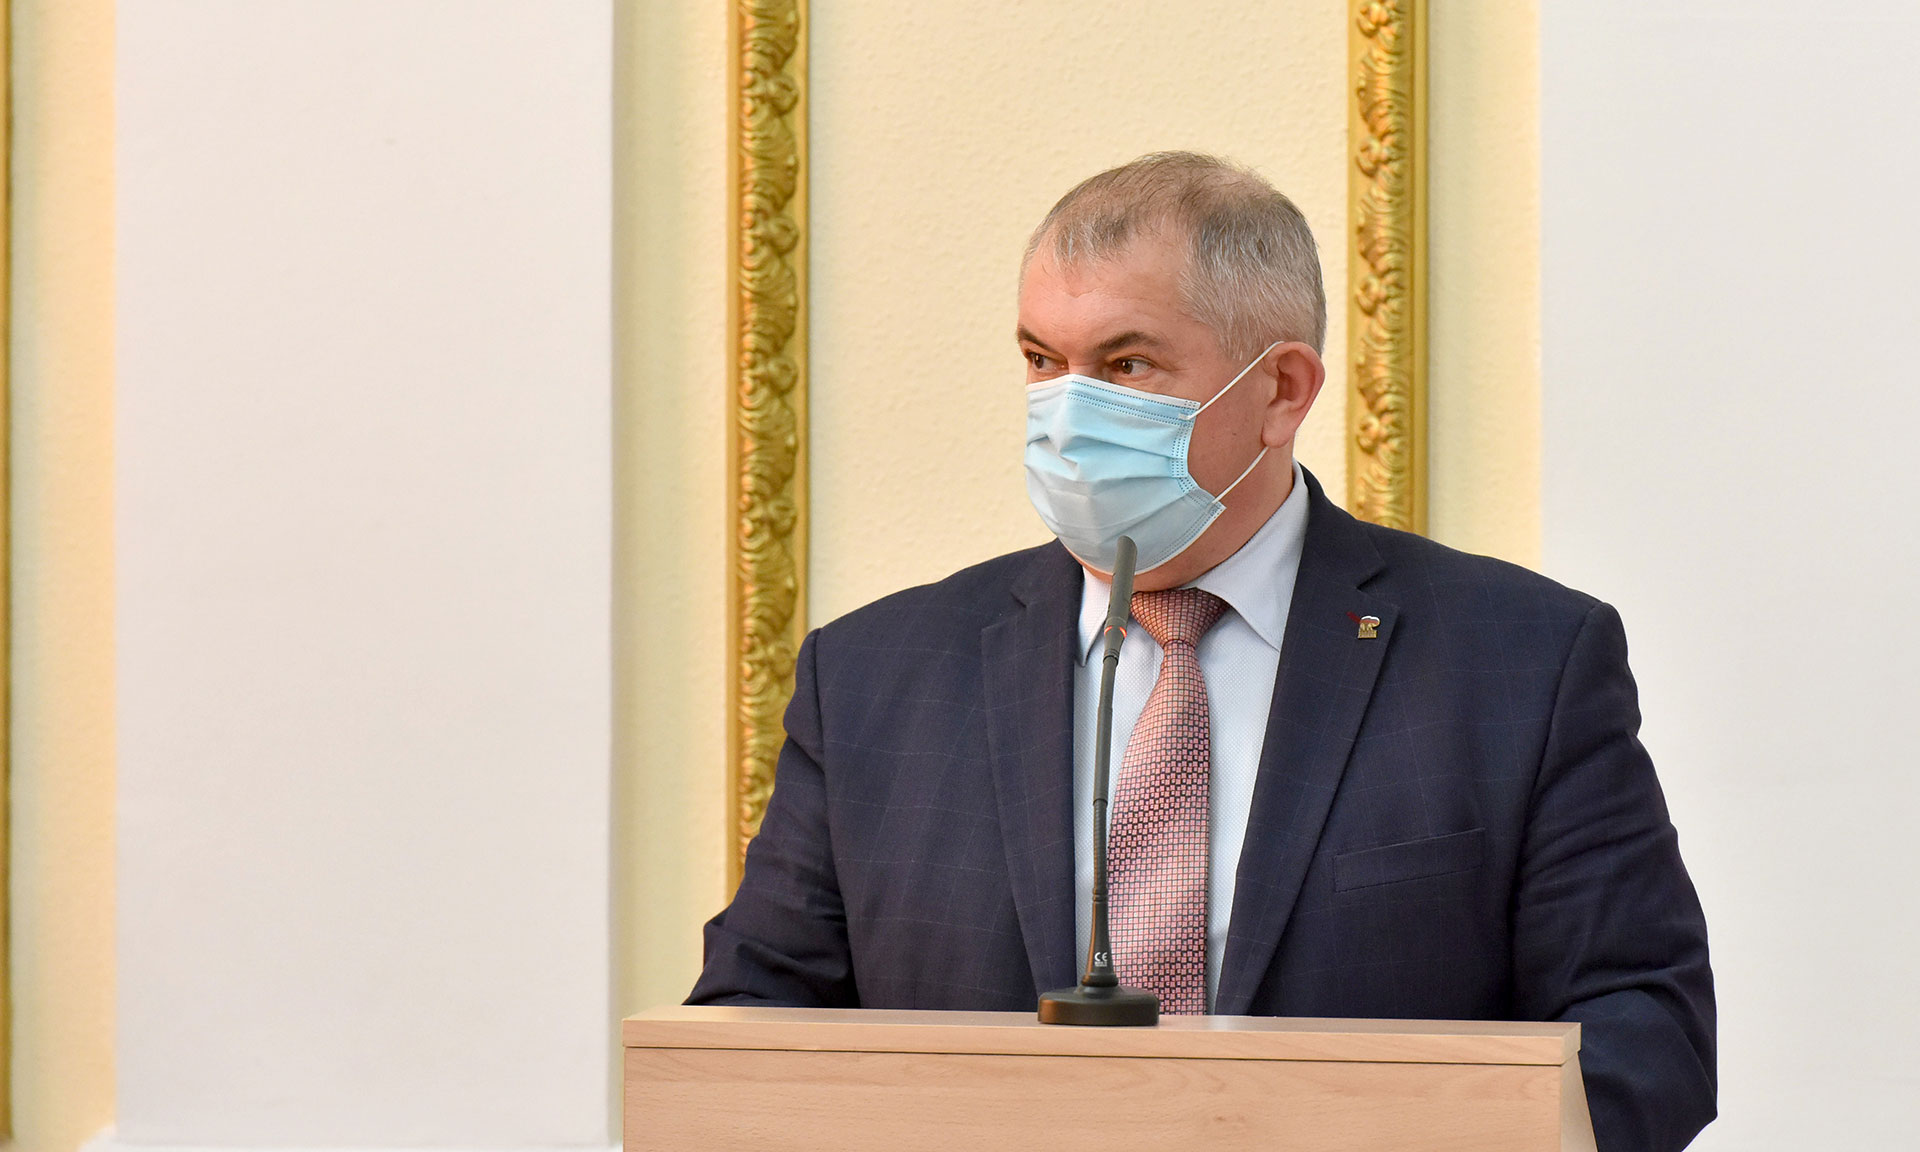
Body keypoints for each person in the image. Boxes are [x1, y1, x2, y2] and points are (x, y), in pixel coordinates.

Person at [689, 151, 1716, 1151]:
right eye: (1042, 362)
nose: (1066, 416)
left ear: (1282, 391)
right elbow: (749, 1021)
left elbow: (1642, 1033)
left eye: (1126, 365)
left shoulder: (1522, 662)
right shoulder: (871, 677)